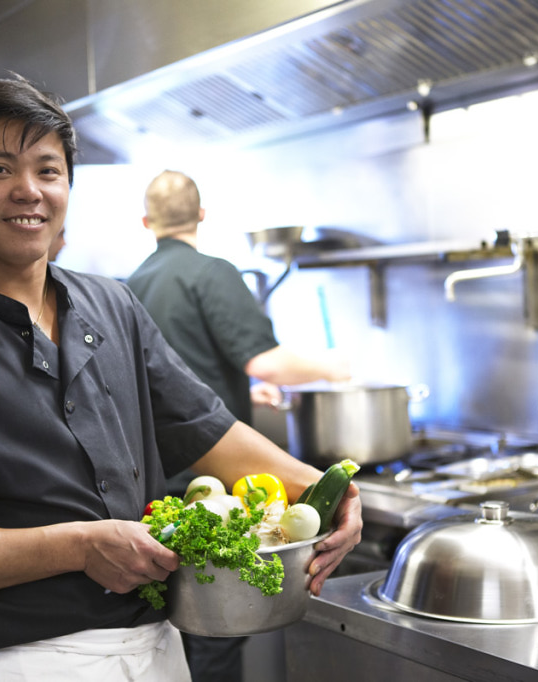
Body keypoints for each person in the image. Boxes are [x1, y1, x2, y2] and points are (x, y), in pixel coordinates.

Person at [0, 75, 362, 682]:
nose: (29, 192)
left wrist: (326, 490)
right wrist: (82, 545)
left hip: (154, 651)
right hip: (20, 662)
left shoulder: (114, 306)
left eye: (48, 170)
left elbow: (204, 430)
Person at [126, 171, 353, 682]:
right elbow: (265, 361)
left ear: (147, 223)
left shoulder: (130, 283)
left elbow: (169, 380)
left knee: (174, 634)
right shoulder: (212, 273)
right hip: (217, 496)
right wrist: (332, 368)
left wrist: (241, 390)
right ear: (202, 216)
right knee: (216, 638)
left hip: (157, 494)